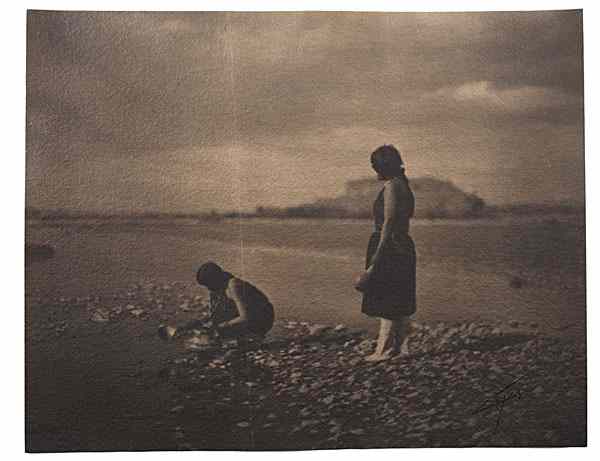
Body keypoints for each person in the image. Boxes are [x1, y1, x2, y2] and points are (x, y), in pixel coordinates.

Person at [355, 145, 416, 362]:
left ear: (383, 166)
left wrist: (376, 258)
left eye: (375, 166)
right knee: (397, 299)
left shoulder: (392, 186)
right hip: (402, 244)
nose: (374, 170)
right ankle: (400, 349)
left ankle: (385, 351)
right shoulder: (403, 185)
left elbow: (389, 224)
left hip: (390, 244)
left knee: (387, 301)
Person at [158, 262, 275, 344]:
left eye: (208, 285)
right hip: (248, 315)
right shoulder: (218, 287)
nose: (208, 289)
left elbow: (246, 317)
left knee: (217, 330)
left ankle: (251, 336)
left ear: (214, 279)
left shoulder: (233, 285)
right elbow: (214, 314)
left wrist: (219, 327)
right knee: (212, 323)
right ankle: (179, 331)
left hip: (262, 320)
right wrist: (195, 324)